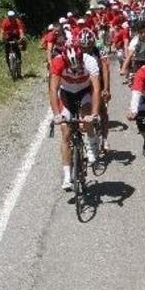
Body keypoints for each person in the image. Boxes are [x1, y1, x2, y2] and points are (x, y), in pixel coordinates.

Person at [49, 44, 101, 190]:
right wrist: (56, 115)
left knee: (86, 117)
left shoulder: (89, 61)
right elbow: (53, 89)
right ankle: (67, 176)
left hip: (84, 92)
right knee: (65, 133)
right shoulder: (58, 61)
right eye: (71, 66)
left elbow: (96, 89)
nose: (75, 69)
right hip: (67, 94)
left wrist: (94, 114)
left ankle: (91, 146)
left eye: (77, 65)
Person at [78, 28, 112, 151]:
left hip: (98, 80)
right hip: (84, 82)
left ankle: (105, 138)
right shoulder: (77, 52)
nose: (85, 50)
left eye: (88, 47)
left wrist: (106, 89)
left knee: (102, 110)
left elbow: (105, 70)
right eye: (83, 47)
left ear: (93, 44)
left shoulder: (99, 51)